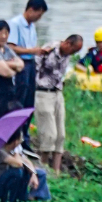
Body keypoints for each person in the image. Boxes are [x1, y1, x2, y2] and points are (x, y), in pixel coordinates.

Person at [33, 33, 82, 175]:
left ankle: (56, 171)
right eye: (72, 50)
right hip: (43, 92)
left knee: (60, 135)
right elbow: (35, 67)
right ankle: (42, 168)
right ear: (67, 43)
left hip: (57, 92)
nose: (72, 54)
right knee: (49, 134)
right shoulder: (49, 50)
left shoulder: (67, 55)